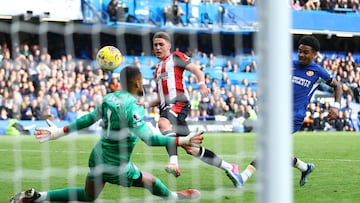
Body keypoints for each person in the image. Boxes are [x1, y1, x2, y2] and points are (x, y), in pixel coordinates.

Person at [10, 66, 204, 202]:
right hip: (116, 164)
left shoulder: (109, 98)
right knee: (151, 181)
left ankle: (37, 197)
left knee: (88, 196)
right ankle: (174, 197)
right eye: (141, 81)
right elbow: (150, 139)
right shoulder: (134, 107)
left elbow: (89, 118)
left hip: (97, 156)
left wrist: (60, 132)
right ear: (137, 83)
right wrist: (183, 139)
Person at [227, 35, 343, 188]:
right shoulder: (289, 65)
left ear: (315, 54)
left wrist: (336, 106)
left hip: (294, 117)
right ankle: (305, 167)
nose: (301, 54)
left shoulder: (319, 72)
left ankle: (243, 177)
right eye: (300, 51)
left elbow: (338, 86)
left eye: (306, 52)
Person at [141, 31, 241, 188]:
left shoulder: (176, 57)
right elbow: (161, 96)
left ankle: (173, 162)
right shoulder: (157, 69)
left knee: (162, 123)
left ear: (169, 46)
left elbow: (196, 70)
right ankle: (231, 167)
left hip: (178, 102)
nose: (158, 48)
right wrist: (146, 104)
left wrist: (202, 83)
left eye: (161, 44)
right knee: (191, 149)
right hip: (166, 106)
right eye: (155, 45)